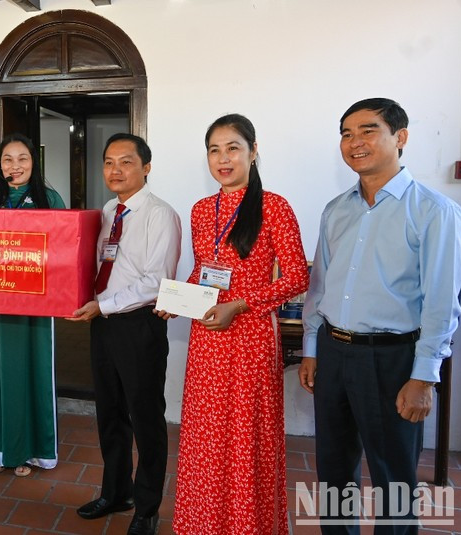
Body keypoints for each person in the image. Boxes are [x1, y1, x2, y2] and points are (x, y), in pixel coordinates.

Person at [299, 98, 461, 533]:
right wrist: (313, 348)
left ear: (400, 137)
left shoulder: (434, 211)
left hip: (392, 360)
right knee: (333, 470)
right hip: (335, 352)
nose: (355, 142)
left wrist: (424, 377)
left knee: (393, 478)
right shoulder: (336, 209)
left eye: (368, 130)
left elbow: (442, 302)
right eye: (347, 133)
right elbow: (320, 288)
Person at [165, 114, 308, 534]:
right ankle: (204, 524)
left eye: (233, 148)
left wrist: (241, 304)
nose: (223, 159)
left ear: (253, 151)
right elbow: (204, 273)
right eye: (214, 150)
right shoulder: (201, 210)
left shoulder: (274, 207)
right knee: (207, 437)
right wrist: (176, 300)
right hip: (207, 338)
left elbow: (297, 277)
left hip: (249, 338)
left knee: (245, 438)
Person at [70, 133, 181, 535]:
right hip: (103, 324)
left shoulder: (159, 214)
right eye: (109, 162)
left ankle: (147, 507)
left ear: (146, 167)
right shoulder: (107, 211)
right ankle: (116, 491)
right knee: (110, 414)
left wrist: (104, 304)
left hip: (139, 326)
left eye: (127, 162)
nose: (116, 170)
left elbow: (157, 281)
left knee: (146, 417)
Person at [0, 133, 66, 477]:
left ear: (34, 162)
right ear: (0, 165)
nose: (15, 166)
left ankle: (31, 450)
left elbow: (61, 250)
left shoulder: (49, 198)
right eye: (8, 159)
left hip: (35, 302)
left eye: (22, 158)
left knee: (33, 371)